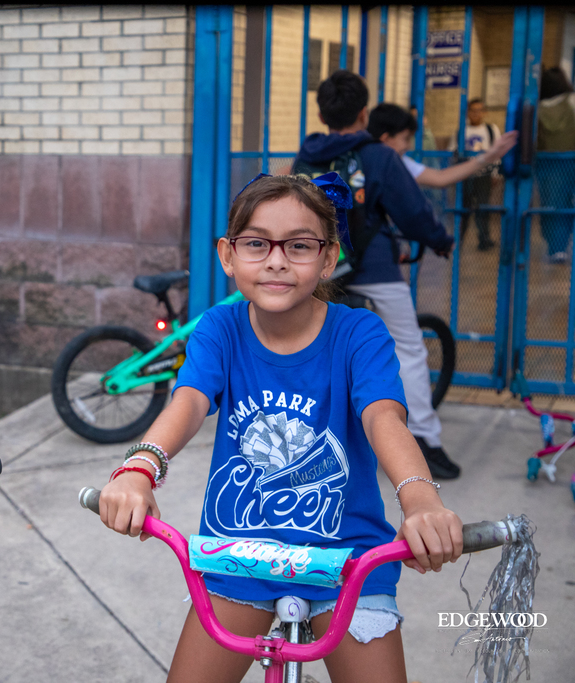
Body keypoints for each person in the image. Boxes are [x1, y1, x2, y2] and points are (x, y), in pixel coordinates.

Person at [97, 174, 463, 683]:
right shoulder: (219, 330)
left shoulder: (359, 333)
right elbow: (187, 402)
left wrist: (421, 501)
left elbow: (384, 416)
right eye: (255, 243)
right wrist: (140, 466)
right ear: (227, 254)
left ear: (328, 257)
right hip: (239, 551)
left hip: (349, 557)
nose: (275, 260)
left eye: (298, 245)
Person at [292, 70, 461, 480]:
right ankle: (424, 440)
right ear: (364, 113)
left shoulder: (306, 157)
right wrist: (439, 239)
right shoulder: (380, 155)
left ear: (321, 112)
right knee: (407, 347)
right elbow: (413, 211)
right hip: (374, 268)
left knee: (314, 347)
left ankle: (313, 439)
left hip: (317, 269)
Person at [371, 102, 517, 190]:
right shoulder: (361, 162)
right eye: (405, 139)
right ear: (386, 139)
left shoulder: (398, 162)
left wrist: (488, 157)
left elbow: (439, 178)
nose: (408, 146)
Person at [448, 99, 503, 251]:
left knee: (482, 207)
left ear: (484, 112)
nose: (476, 114)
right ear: (467, 113)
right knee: (463, 209)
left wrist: (495, 174)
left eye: (479, 110)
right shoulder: (461, 131)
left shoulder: (491, 130)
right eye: (473, 110)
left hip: (483, 175)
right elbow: (452, 152)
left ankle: (484, 239)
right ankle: (459, 240)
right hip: (465, 176)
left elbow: (497, 153)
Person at [536, 66, 575, 264]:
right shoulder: (572, 101)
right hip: (572, 160)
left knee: (553, 205)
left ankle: (556, 247)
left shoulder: (536, 109)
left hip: (549, 165)